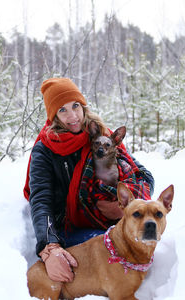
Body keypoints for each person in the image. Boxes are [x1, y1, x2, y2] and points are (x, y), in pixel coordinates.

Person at [23, 77, 154, 283]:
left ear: (83, 106)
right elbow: (41, 200)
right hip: (71, 227)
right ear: (54, 115)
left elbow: (145, 178)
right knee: (114, 252)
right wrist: (50, 247)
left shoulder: (102, 137)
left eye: (75, 106)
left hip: (114, 220)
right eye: (62, 110)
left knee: (142, 244)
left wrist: (124, 206)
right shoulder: (46, 148)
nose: (73, 116)